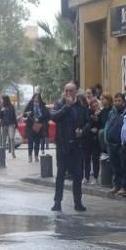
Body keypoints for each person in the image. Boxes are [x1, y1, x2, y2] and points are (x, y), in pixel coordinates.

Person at [49, 81, 89, 212]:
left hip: (76, 145)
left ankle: (78, 202)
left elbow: (86, 121)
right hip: (62, 145)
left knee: (78, 175)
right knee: (60, 175)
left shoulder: (81, 106)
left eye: (71, 91)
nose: (68, 93)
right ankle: (57, 202)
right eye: (66, 91)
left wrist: (82, 131)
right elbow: (54, 117)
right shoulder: (59, 104)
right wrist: (66, 106)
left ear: (76, 92)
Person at [104, 93, 126, 195]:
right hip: (111, 143)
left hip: (121, 144)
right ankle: (116, 185)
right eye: (116, 100)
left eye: (119, 100)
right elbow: (107, 126)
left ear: (123, 101)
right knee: (115, 166)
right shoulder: (111, 113)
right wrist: (106, 138)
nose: (117, 102)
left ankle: (123, 186)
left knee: (122, 166)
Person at [22, 92, 50, 162]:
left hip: (38, 126)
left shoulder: (42, 106)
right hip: (30, 126)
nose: (36, 99)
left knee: (37, 142)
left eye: (38, 98)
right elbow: (24, 114)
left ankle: (36, 156)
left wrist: (40, 118)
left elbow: (47, 115)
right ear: (33, 98)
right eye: (35, 98)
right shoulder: (30, 105)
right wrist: (28, 114)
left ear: (40, 99)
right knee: (30, 142)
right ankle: (30, 156)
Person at [83, 95, 102, 185]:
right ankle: (86, 177)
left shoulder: (101, 113)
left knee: (95, 158)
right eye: (93, 106)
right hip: (87, 138)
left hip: (96, 139)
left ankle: (95, 177)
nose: (95, 107)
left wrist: (97, 128)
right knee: (86, 158)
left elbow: (102, 124)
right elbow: (86, 123)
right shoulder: (88, 113)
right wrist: (93, 118)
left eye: (96, 105)